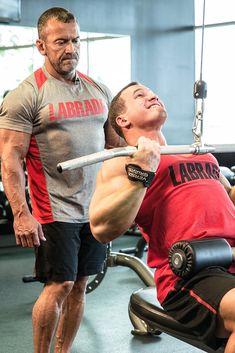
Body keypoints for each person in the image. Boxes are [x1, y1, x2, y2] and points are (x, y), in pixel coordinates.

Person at [0, 7, 124, 353]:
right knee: (60, 283)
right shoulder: (26, 95)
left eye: (75, 40)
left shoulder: (98, 88)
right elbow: (10, 159)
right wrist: (21, 213)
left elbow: (115, 146)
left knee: (81, 283)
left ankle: (62, 351)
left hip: (94, 207)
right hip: (53, 207)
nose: (70, 49)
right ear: (41, 46)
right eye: (61, 42)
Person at [89, 82, 235, 352]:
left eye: (153, 93)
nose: (152, 96)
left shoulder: (200, 155)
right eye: (139, 95)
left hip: (231, 256)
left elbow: (227, 199)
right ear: (122, 119)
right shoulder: (122, 162)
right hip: (191, 273)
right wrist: (143, 171)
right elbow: (100, 228)